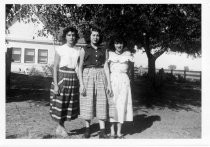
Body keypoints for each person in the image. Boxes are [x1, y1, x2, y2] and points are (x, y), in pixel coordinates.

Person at [78, 26, 112, 139]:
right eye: (93, 35)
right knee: (87, 101)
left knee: (102, 101)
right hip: (88, 74)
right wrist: (81, 84)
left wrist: (109, 84)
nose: (95, 37)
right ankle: (87, 130)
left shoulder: (104, 49)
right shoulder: (84, 49)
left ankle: (102, 131)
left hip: (101, 74)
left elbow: (106, 66)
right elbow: (80, 67)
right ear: (90, 36)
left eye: (97, 35)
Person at [50, 27, 80, 137]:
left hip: (73, 78)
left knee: (68, 103)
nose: (71, 37)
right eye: (69, 35)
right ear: (65, 36)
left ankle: (60, 127)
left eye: (73, 35)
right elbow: (55, 67)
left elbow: (78, 67)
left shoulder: (78, 50)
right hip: (62, 76)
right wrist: (56, 84)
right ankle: (61, 127)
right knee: (60, 102)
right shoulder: (60, 49)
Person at [107, 37, 133, 139]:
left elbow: (130, 69)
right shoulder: (110, 54)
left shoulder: (128, 55)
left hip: (124, 81)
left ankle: (119, 132)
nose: (119, 45)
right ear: (113, 44)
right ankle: (112, 131)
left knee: (122, 105)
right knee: (113, 105)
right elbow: (106, 68)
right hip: (113, 80)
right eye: (117, 43)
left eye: (121, 43)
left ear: (123, 44)